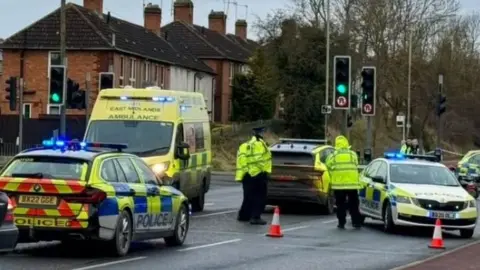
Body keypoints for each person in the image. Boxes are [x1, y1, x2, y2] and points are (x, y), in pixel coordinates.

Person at [235, 127, 272, 225]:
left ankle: (243, 215)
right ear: (261, 134)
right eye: (265, 132)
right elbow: (260, 160)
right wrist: (263, 171)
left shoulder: (244, 145)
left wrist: (247, 171)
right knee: (260, 197)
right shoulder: (259, 144)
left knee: (248, 196)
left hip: (246, 175)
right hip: (257, 174)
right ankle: (256, 217)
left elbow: (241, 160)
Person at [325, 135, 362, 229]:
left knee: (340, 204)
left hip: (339, 185)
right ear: (347, 143)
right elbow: (356, 164)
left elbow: (327, 165)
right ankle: (356, 222)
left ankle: (341, 223)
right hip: (352, 185)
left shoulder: (333, 155)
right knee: (354, 204)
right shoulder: (352, 154)